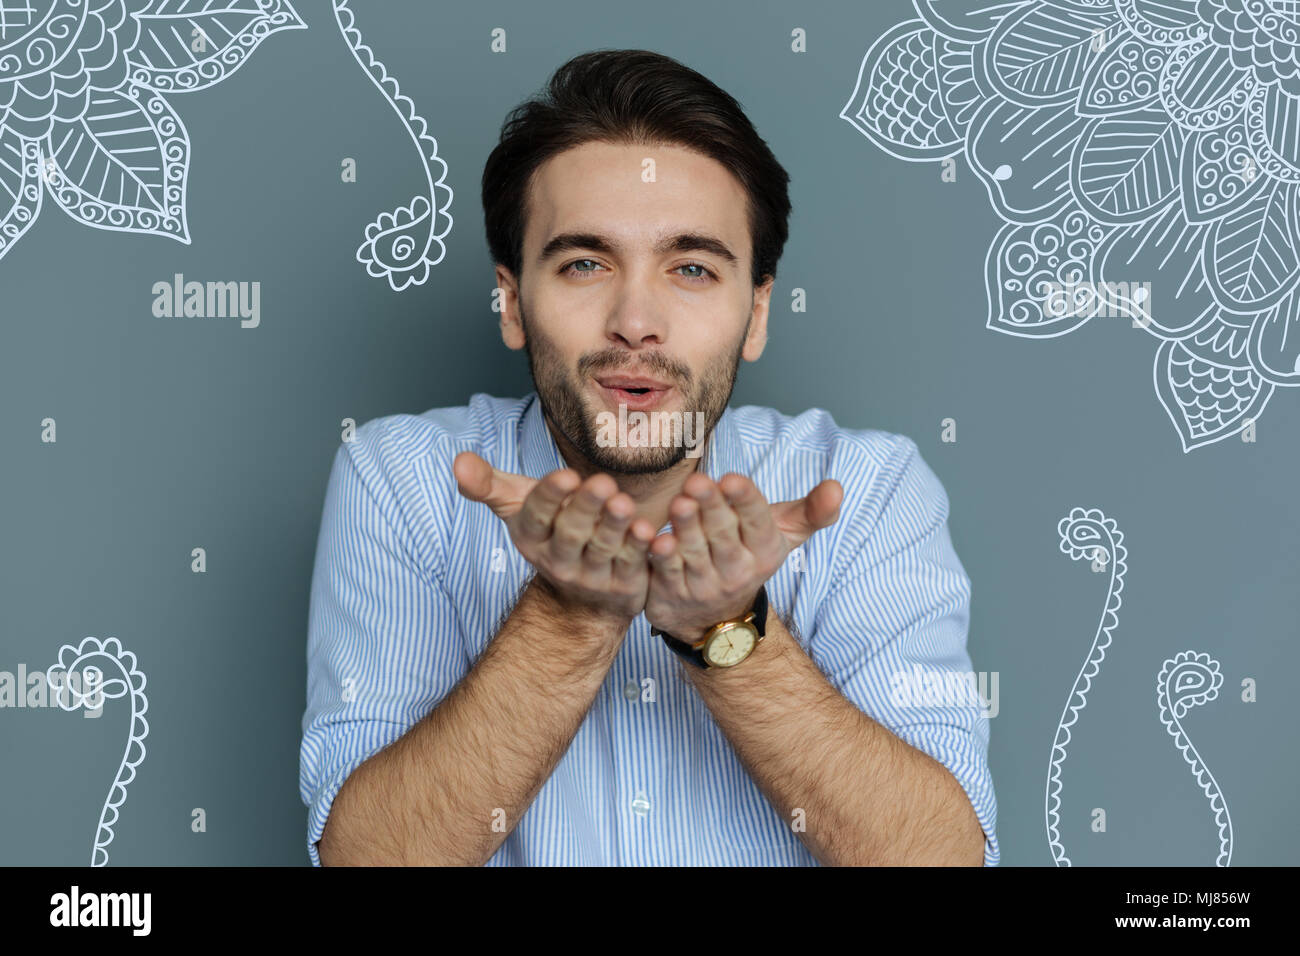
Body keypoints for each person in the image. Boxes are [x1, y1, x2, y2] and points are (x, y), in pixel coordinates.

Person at [299, 49, 999, 866]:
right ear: (512, 302)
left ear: (757, 313)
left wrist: (728, 631)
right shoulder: (403, 481)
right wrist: (568, 618)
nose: (636, 321)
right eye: (585, 263)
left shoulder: (870, 490)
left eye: (692, 268)